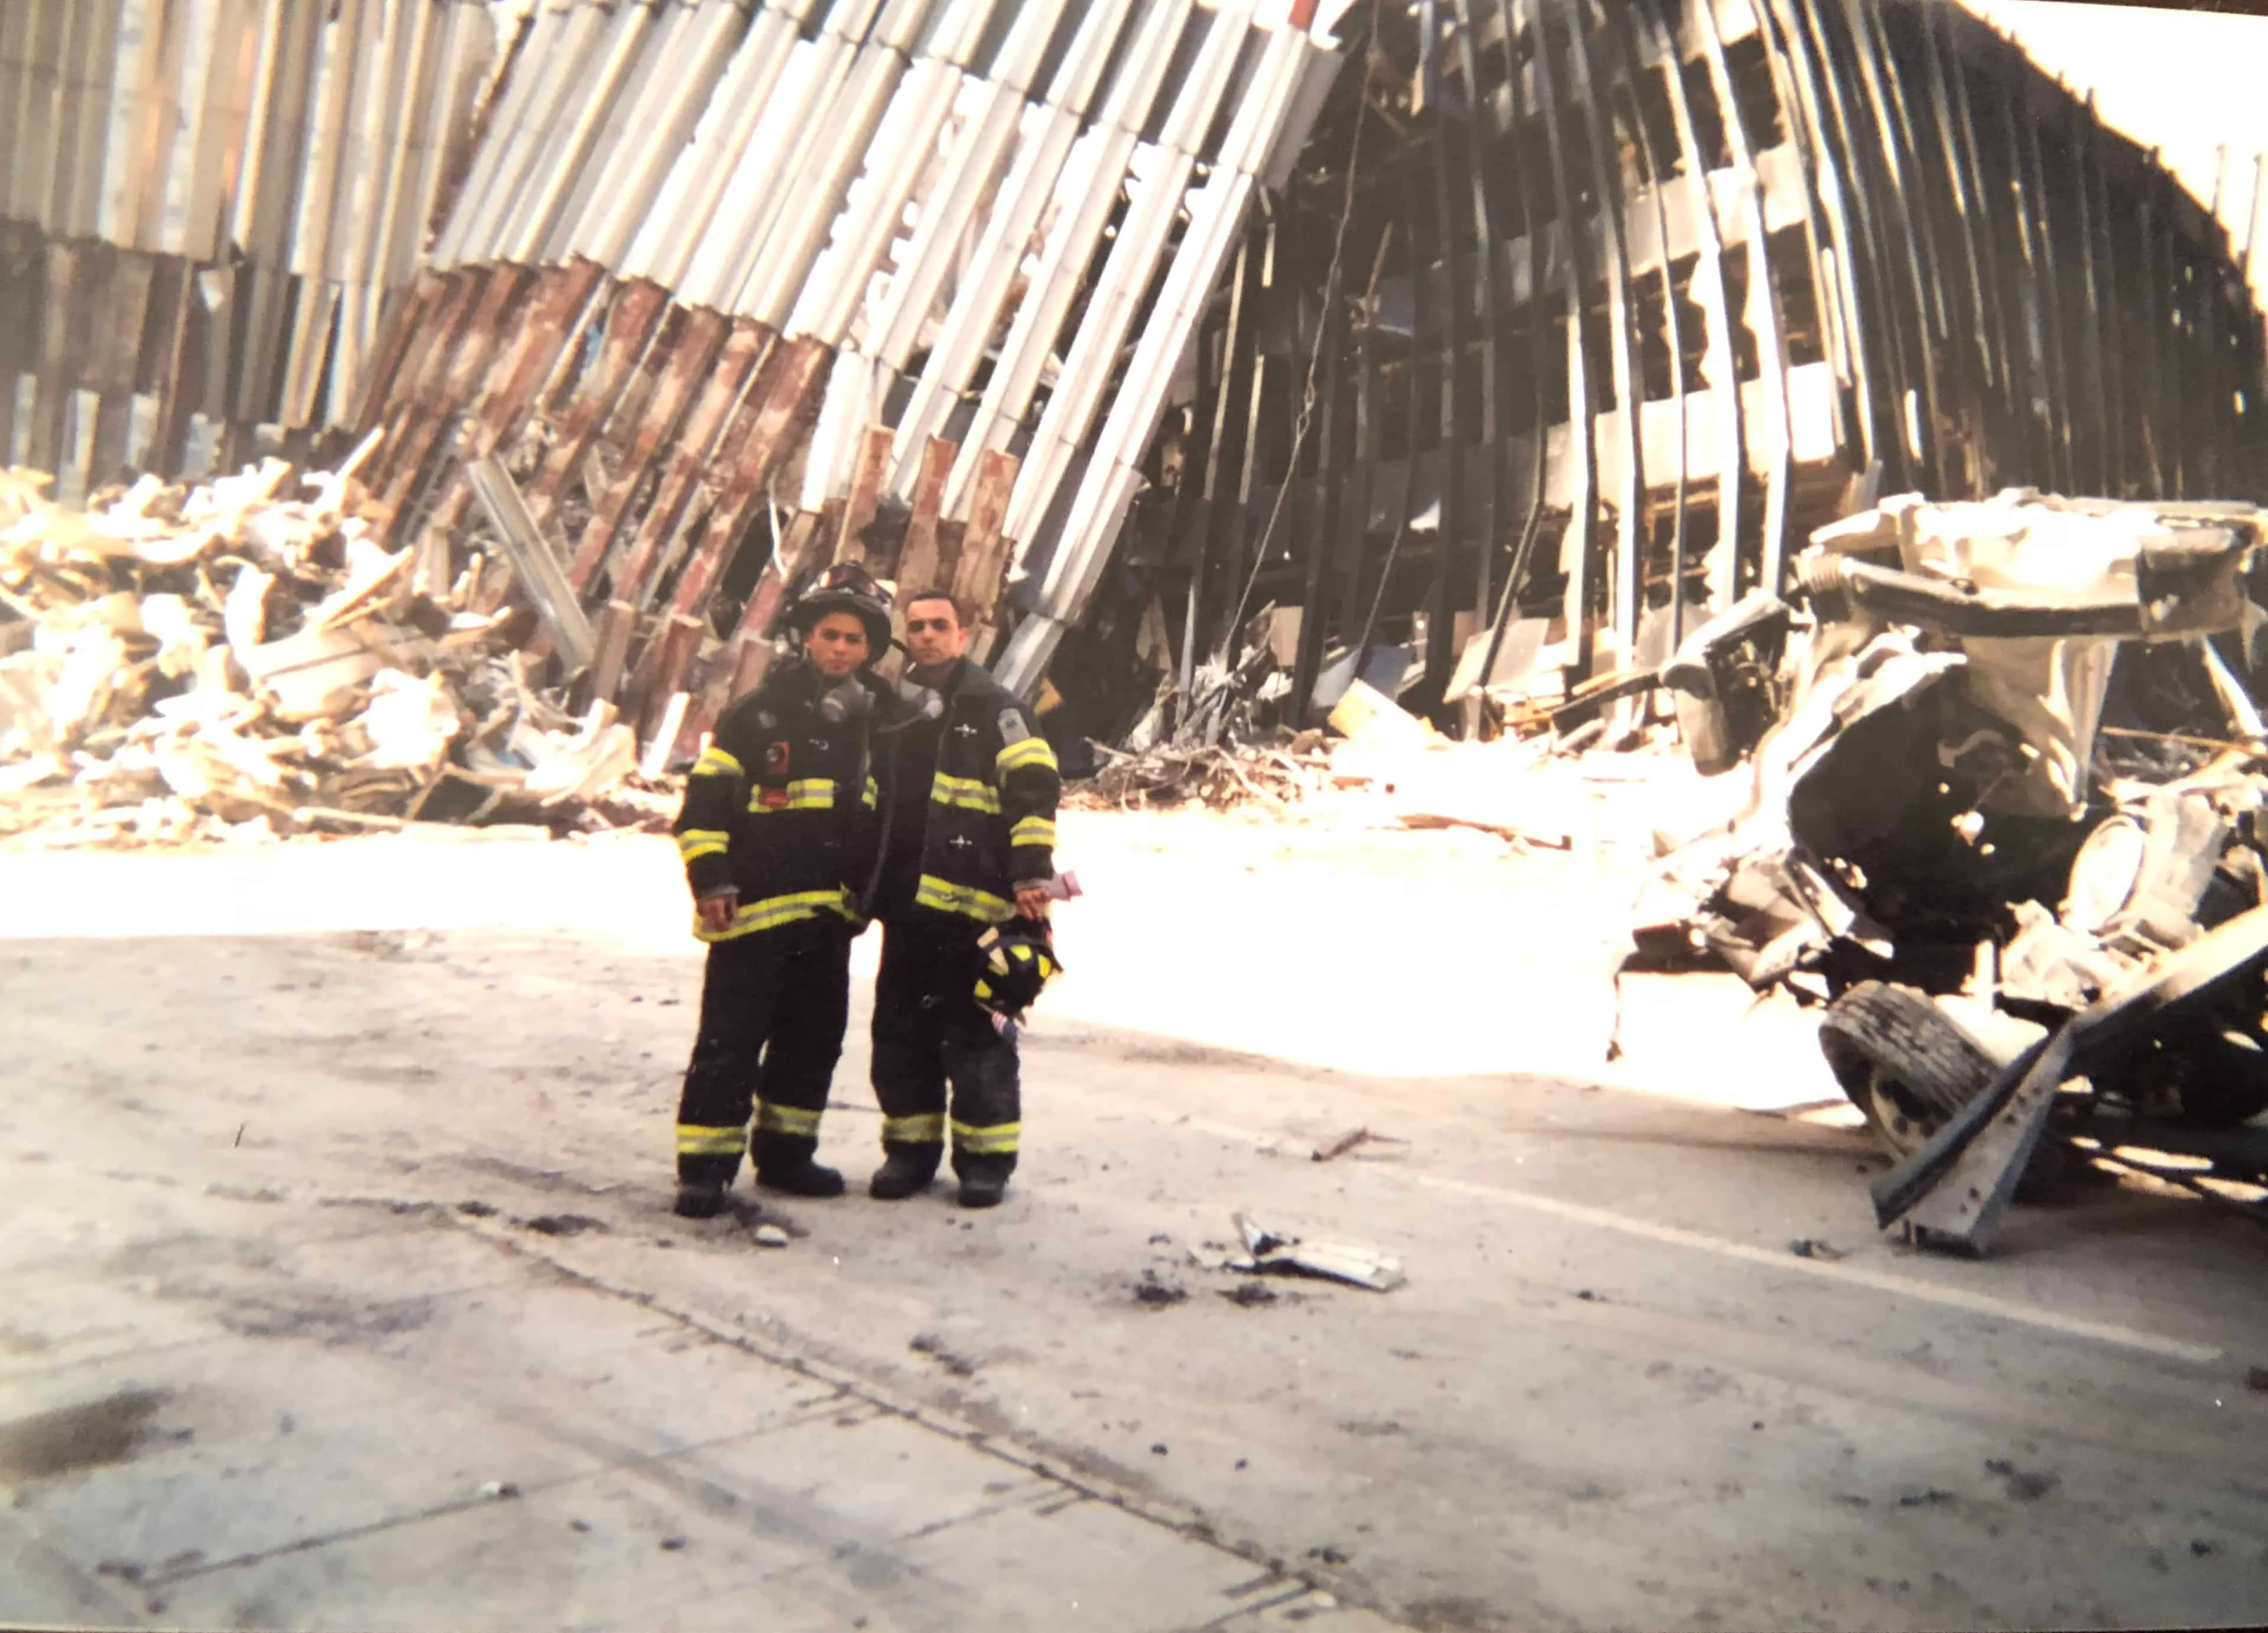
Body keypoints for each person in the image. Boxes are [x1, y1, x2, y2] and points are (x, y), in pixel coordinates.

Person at [666, 563, 894, 1219]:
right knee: (730, 1041)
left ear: (869, 649)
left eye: (855, 640)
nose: (841, 649)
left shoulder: (876, 724)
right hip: (752, 915)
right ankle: (705, 1171)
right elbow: (701, 808)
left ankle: (788, 1156)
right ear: (807, 637)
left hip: (826, 921)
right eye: (831, 635)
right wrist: (711, 881)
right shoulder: (754, 715)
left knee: (812, 1040)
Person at [865, 589, 1061, 1209]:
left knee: (979, 1037)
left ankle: (985, 1164)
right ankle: (909, 1154)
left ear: (964, 635)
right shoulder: (893, 709)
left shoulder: (999, 708)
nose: (926, 635)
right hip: (906, 906)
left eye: (939, 626)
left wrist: (1032, 873)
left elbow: (1033, 792)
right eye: (916, 626)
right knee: (901, 1034)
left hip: (978, 909)